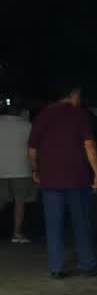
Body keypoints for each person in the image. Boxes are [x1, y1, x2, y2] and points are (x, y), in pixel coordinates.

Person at [27, 80, 97, 278]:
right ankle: (87, 263)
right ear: (73, 95)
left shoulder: (43, 115)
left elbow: (32, 148)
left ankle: (56, 267)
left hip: (50, 178)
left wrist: (35, 169)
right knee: (81, 222)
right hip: (77, 178)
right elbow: (89, 145)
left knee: (54, 224)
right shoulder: (79, 114)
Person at [0, 103, 36, 243]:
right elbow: (33, 146)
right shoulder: (27, 125)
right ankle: (17, 233)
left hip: (1, 168)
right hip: (21, 169)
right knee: (20, 203)